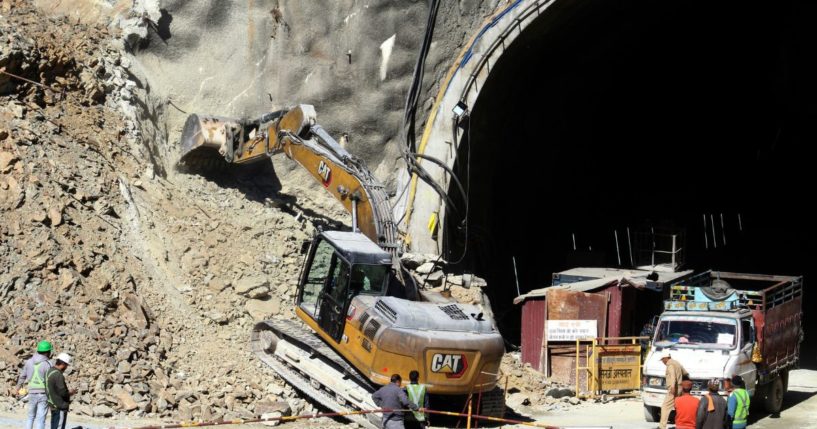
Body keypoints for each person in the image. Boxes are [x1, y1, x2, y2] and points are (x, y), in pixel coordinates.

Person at [16, 340, 53, 429]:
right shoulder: (48, 364)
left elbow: (22, 376)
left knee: (30, 417)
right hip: (43, 394)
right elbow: (51, 381)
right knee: (41, 419)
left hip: (32, 393)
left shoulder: (29, 362)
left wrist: (17, 388)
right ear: (47, 352)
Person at [659, 350, 689, 429]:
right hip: (680, 388)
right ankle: (681, 424)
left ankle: (662, 426)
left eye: (662, 360)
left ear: (666, 358)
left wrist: (672, 387)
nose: (662, 362)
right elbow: (685, 373)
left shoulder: (670, 365)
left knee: (665, 407)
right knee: (678, 406)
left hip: (674, 388)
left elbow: (673, 377)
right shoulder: (677, 363)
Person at [45, 353, 74, 429]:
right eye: (66, 365)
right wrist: (71, 393)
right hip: (59, 406)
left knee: (54, 426)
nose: (67, 367)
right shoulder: (58, 375)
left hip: (53, 405)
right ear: (63, 364)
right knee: (59, 426)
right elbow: (63, 393)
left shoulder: (49, 371)